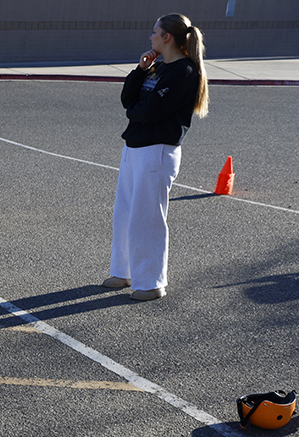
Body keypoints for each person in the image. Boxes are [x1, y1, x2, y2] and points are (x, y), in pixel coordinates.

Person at [104, 14, 209, 301]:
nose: (150, 37)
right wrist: (140, 70)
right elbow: (129, 100)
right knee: (125, 212)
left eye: (154, 32)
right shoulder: (158, 66)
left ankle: (151, 282)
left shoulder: (184, 72)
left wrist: (136, 111)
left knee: (147, 217)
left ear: (167, 37)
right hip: (135, 146)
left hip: (157, 150)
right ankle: (123, 271)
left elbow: (150, 112)